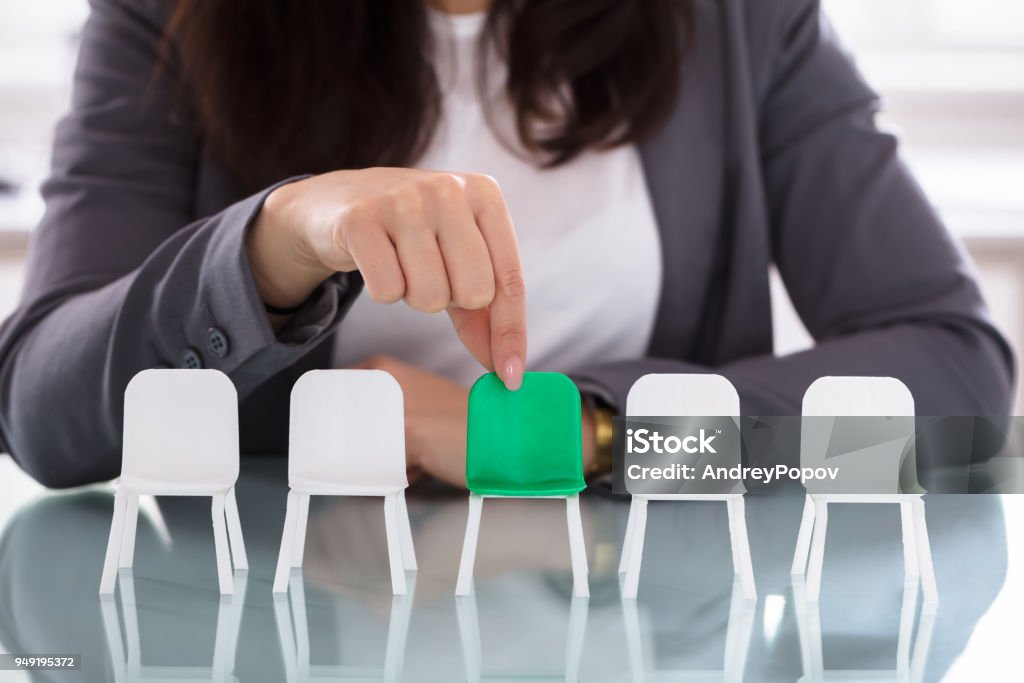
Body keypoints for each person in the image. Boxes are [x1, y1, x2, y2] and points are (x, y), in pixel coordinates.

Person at [0, 0, 1013, 489]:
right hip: (269, 614)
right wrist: (270, 244)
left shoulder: (741, 20)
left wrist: (582, 434)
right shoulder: (164, 16)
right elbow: (43, 416)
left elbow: (955, 379)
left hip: (643, 619)